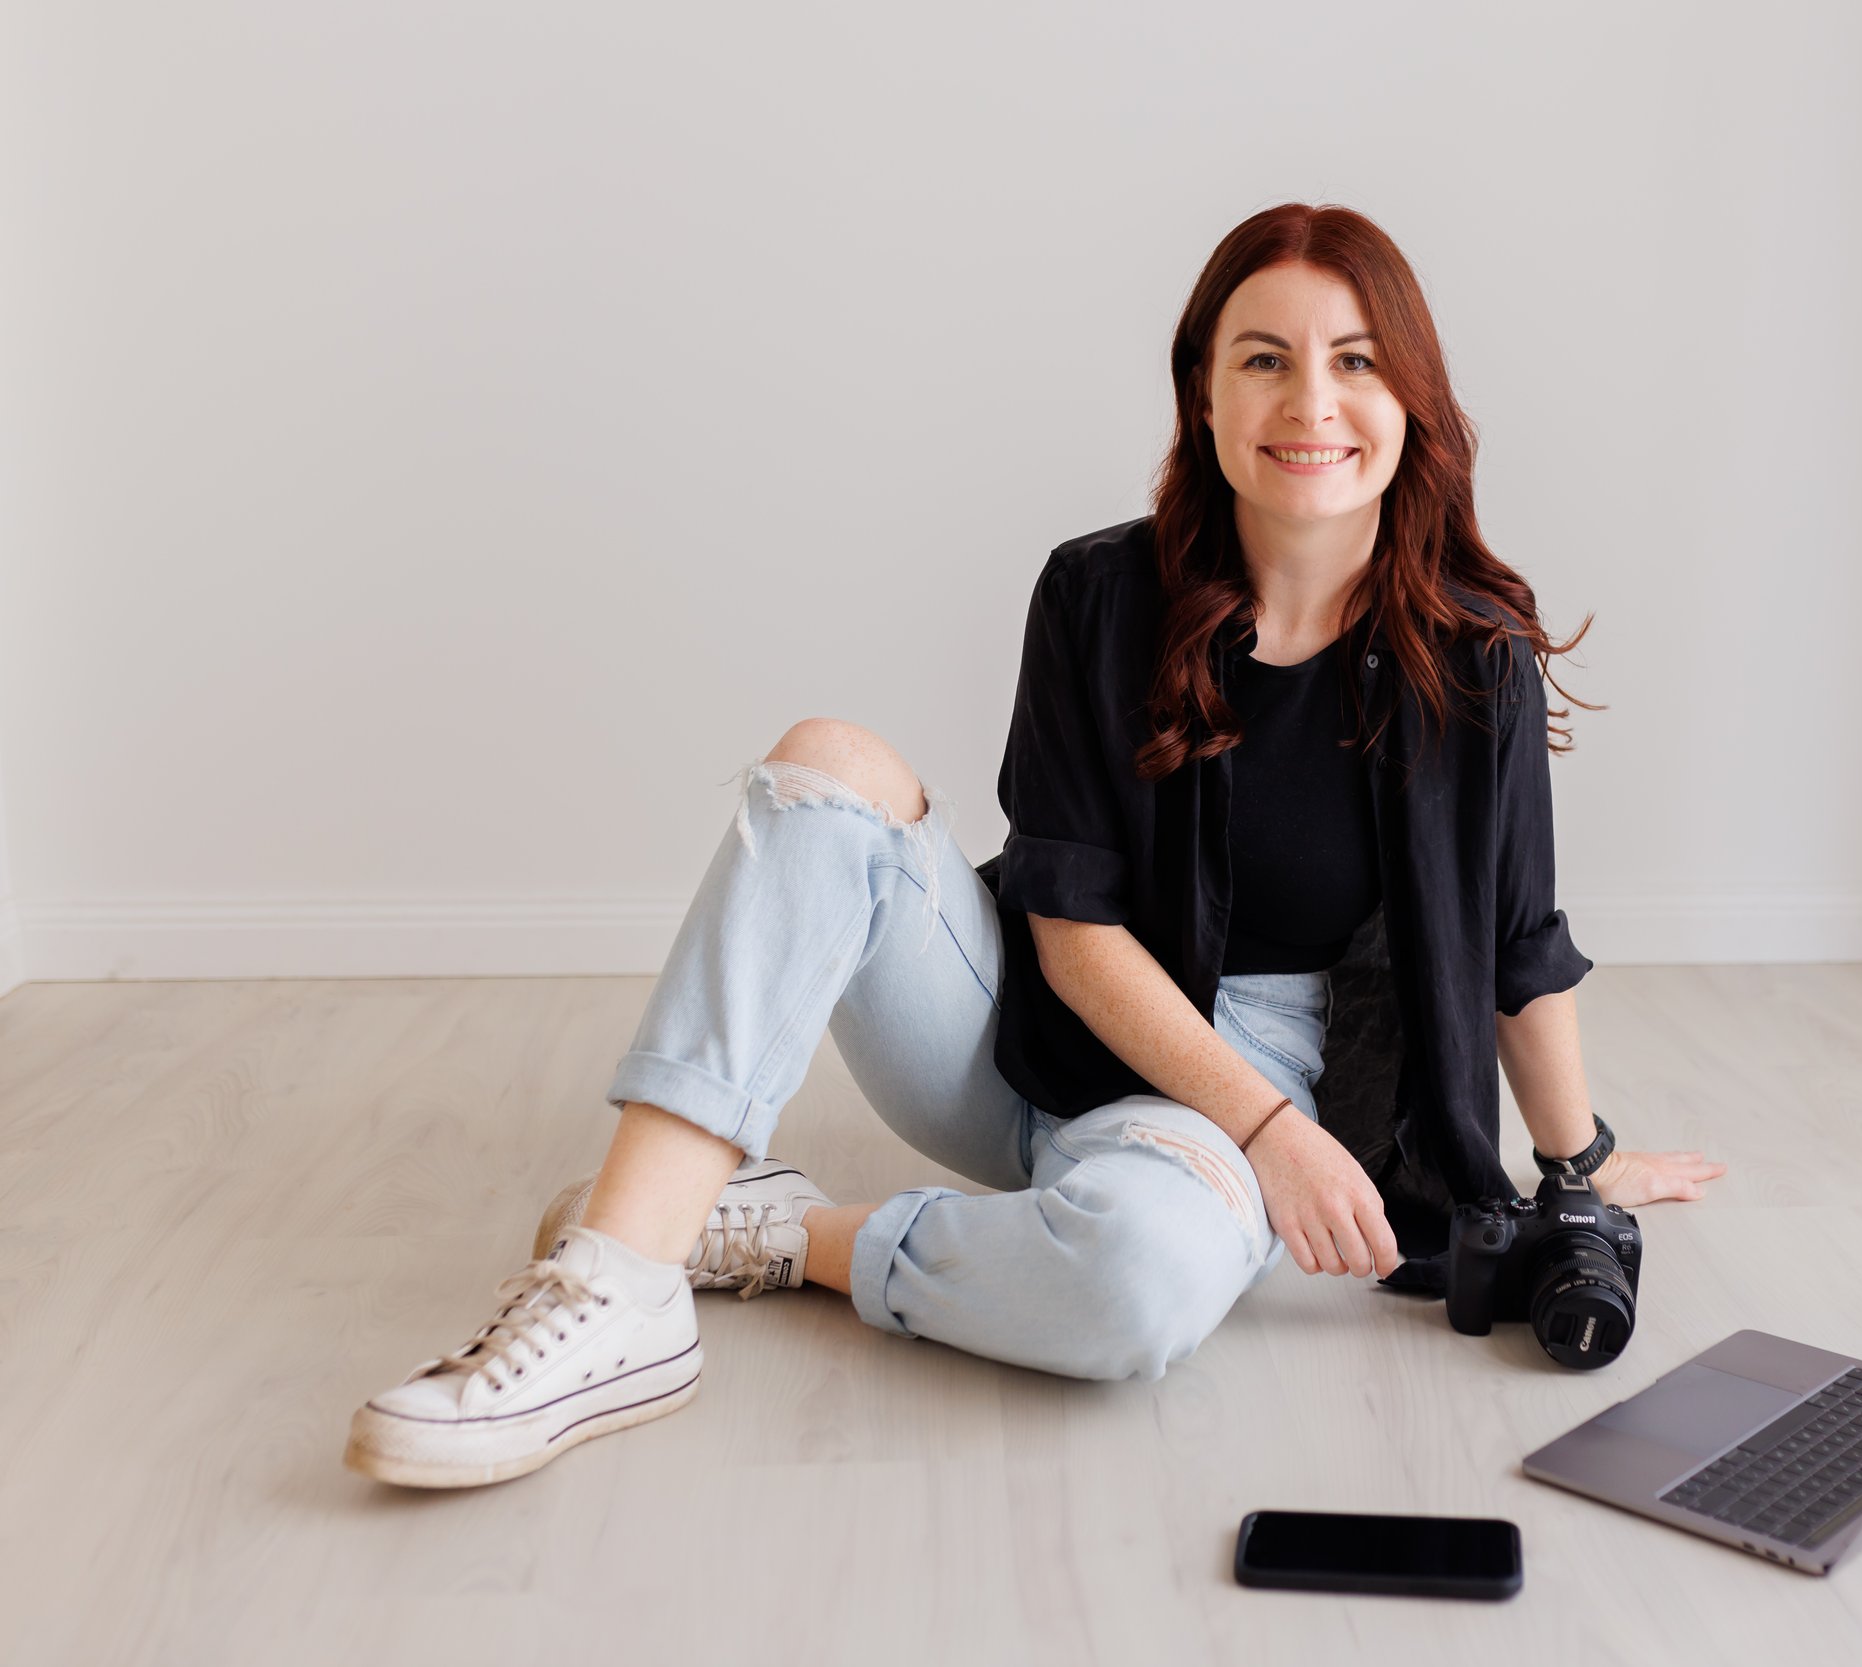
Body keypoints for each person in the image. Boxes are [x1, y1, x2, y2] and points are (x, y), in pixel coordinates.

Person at [343, 202, 1729, 1490]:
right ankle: (619, 1284)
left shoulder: (1474, 654)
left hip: (1248, 1098)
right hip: (1026, 1028)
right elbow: (1069, 928)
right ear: (1205, 390)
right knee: (828, 762)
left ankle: (779, 1233)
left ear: (1410, 399)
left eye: (1355, 361)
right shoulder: (1098, 592)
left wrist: (1578, 1163)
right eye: (1265, 360)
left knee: (1136, 1291)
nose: (1311, 402)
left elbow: (1515, 945)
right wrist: (1273, 1140)